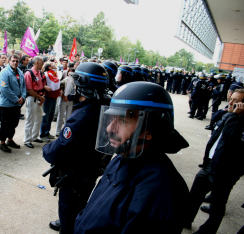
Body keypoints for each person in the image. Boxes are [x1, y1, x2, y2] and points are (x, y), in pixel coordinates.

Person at [74, 82, 189, 233]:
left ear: (150, 130)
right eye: (111, 118)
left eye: (123, 120)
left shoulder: (160, 192)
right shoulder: (123, 157)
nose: (109, 128)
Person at [43, 62, 111, 233]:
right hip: (89, 171)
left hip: (75, 176)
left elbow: (61, 148)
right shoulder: (103, 108)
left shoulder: (82, 115)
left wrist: (47, 149)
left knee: (69, 215)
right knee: (79, 210)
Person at [185, 89, 244, 234]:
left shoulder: (238, 121)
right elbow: (214, 126)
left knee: (217, 204)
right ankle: (186, 219)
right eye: (231, 98)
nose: (231, 103)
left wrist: (234, 117)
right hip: (211, 164)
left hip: (227, 171)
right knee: (194, 196)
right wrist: (229, 113)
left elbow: (228, 139)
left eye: (236, 101)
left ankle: (207, 231)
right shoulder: (229, 114)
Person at [0, 54, 26, 152]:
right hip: (7, 104)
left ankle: (10, 139)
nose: (15, 63)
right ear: (9, 61)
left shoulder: (20, 72)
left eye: (17, 61)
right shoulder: (4, 73)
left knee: (14, 123)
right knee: (5, 124)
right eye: (13, 61)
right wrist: (16, 99)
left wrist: (22, 96)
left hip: (17, 104)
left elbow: (24, 86)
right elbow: (4, 89)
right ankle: (2, 143)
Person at [23, 56, 47, 148]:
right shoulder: (29, 73)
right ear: (37, 62)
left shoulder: (40, 73)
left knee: (38, 119)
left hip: (39, 98)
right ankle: (27, 140)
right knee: (30, 119)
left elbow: (43, 86)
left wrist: (42, 96)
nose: (43, 64)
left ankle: (34, 136)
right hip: (32, 98)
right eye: (42, 62)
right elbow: (29, 89)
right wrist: (40, 97)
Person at [40, 62, 61, 142]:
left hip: (54, 98)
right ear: (49, 67)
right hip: (48, 98)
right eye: (53, 64)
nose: (55, 64)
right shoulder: (46, 75)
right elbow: (43, 85)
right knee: (45, 117)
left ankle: (47, 132)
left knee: (50, 117)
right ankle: (42, 134)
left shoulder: (55, 74)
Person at [55, 67, 75, 137]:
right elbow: (60, 92)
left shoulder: (74, 82)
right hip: (63, 100)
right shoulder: (64, 81)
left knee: (68, 117)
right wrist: (64, 97)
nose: (71, 73)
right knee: (60, 116)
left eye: (73, 71)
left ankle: (65, 131)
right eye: (70, 71)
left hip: (70, 100)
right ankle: (58, 131)